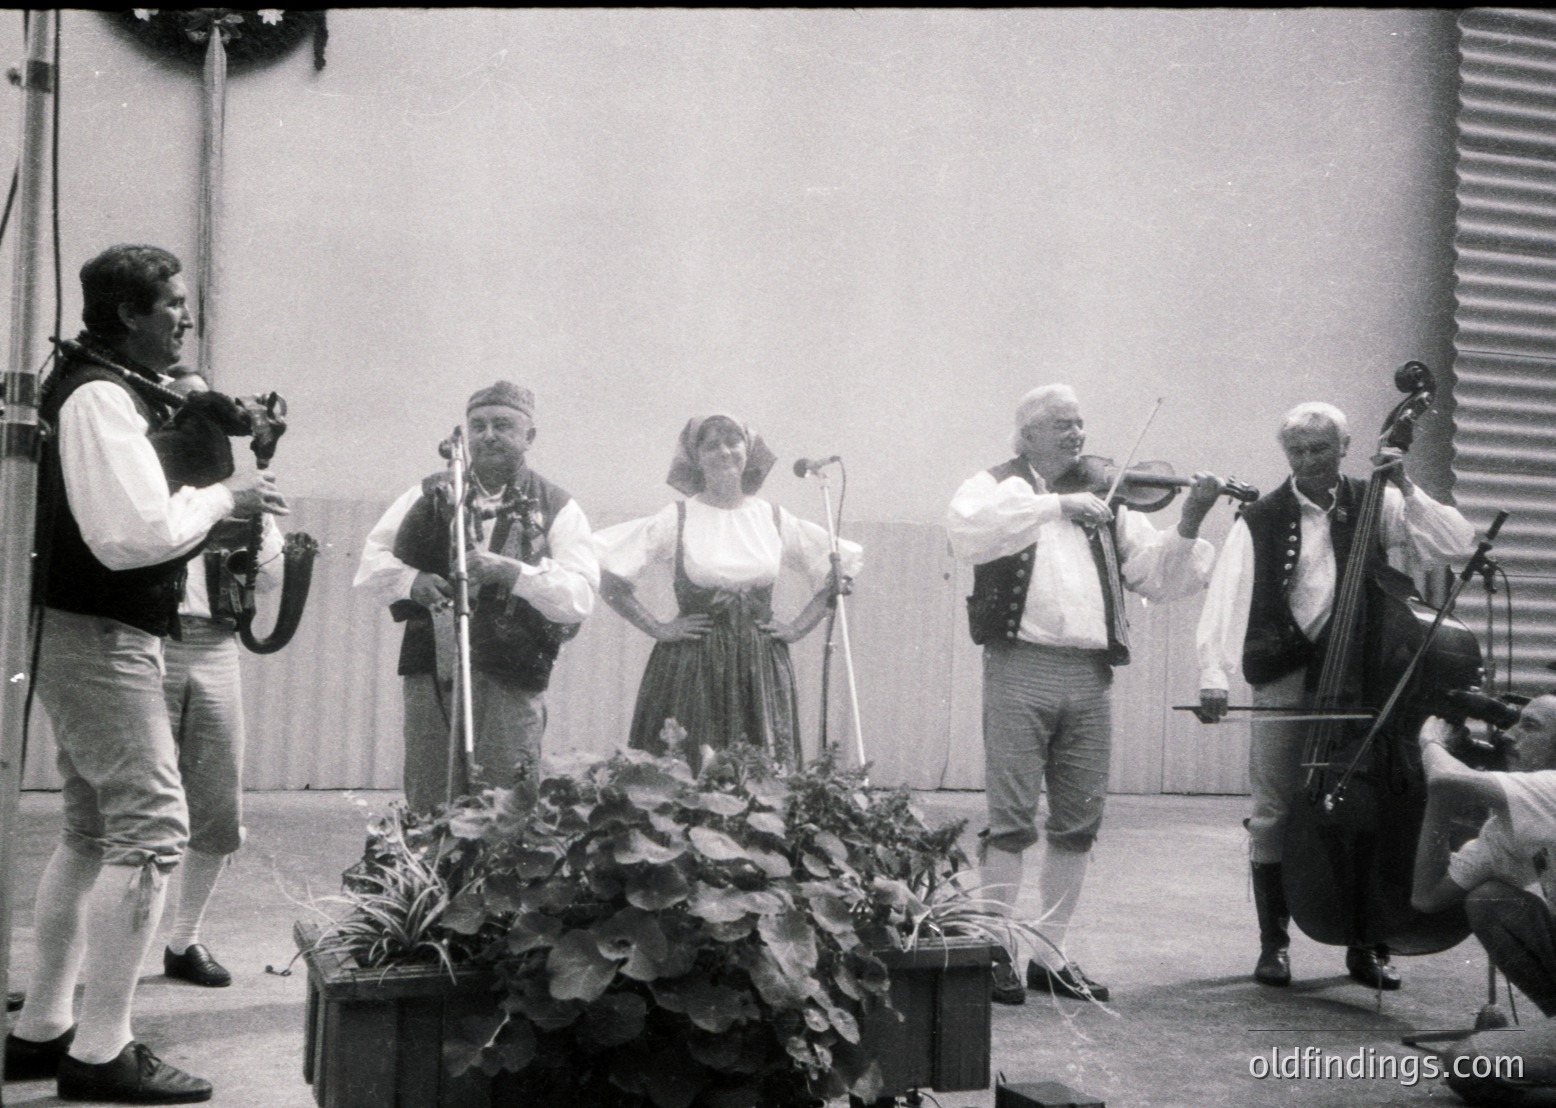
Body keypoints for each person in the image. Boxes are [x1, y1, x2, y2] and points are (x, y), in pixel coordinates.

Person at [5, 244, 285, 1103]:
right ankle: (102, 1052)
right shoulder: (99, 395)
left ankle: (44, 1028)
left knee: (92, 829)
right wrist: (225, 500)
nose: (185, 318)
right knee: (153, 830)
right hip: (101, 631)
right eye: (172, 304)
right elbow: (132, 536)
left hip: (89, 626)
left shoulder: (98, 384)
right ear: (128, 312)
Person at [946, 384, 1222, 1005]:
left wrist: (1191, 518)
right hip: (1020, 665)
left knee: (1078, 821)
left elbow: (1157, 576)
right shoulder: (997, 485)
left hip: (1090, 675)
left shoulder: (1108, 498)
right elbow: (967, 533)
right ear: (1028, 435)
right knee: (1011, 819)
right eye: (1062, 424)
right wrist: (1056, 505)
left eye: (1079, 424)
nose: (1077, 435)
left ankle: (1050, 955)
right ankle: (994, 950)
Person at [1196, 401, 1477, 990]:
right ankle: (1274, 944)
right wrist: (1213, 673)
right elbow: (1228, 594)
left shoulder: (1377, 500)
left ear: (1345, 448)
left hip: (1360, 672)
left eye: (1320, 448)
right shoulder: (1261, 517)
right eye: (1297, 451)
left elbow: (1455, 544)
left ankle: (1366, 942)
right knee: (1274, 807)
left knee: (1368, 808)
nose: (1308, 461)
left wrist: (1406, 485)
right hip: (1285, 668)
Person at [354, 382, 597, 810]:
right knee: (431, 792)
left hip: (513, 671)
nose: (488, 436)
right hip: (433, 668)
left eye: (502, 426)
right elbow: (370, 564)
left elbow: (580, 597)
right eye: (478, 426)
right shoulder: (429, 492)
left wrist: (514, 573)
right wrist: (411, 581)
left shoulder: (557, 505)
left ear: (529, 437)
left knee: (507, 797)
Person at [593, 414, 862, 772]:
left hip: (759, 666)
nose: (724, 452)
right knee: (686, 766)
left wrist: (798, 627)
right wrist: (657, 627)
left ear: (749, 452)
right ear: (696, 457)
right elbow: (609, 574)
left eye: (733, 442)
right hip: (693, 664)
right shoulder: (678, 517)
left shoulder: (772, 517)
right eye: (711, 445)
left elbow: (839, 571)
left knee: (760, 771)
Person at [157, 368, 285, 989]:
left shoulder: (233, 489)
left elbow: (272, 575)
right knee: (126, 809)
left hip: (214, 646)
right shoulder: (141, 477)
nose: (193, 419)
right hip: (146, 639)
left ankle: (184, 939)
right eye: (180, 406)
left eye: (203, 406)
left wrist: (257, 521)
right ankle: (86, 958)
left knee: (217, 806)